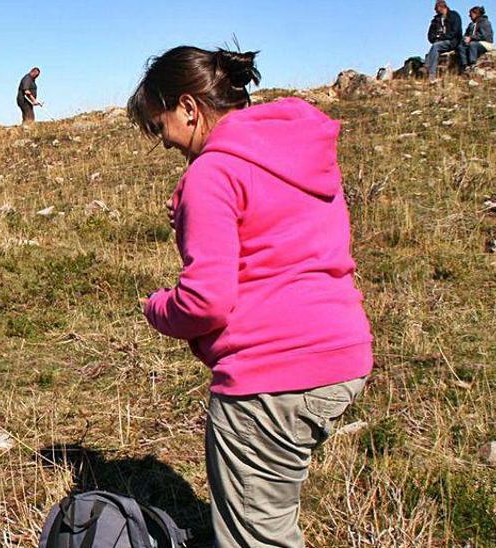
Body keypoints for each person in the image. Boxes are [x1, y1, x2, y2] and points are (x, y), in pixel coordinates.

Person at [127, 46, 373, 547]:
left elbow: (206, 301)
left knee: (256, 538)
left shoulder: (212, 174)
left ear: (190, 108)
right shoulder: (293, 147)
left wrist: (156, 308)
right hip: (341, 355)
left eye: (161, 124)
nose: (164, 141)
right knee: (271, 516)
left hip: (271, 375)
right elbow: (279, 234)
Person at [425, 0, 464, 82]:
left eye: (436, 8)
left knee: (436, 46)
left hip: (453, 41)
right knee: (435, 46)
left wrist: (441, 37)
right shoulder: (436, 20)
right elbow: (430, 35)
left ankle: (430, 73)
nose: (435, 11)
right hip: (440, 42)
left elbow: (455, 31)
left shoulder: (454, 16)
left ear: (441, 7)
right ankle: (428, 69)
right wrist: (435, 38)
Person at [459, 6, 494, 72]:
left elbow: (484, 36)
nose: (469, 16)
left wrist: (471, 38)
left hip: (485, 43)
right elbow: (466, 34)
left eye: (471, 14)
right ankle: (465, 66)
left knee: (473, 44)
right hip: (474, 41)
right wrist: (464, 39)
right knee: (461, 46)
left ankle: (473, 64)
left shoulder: (485, 22)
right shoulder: (471, 24)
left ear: (476, 14)